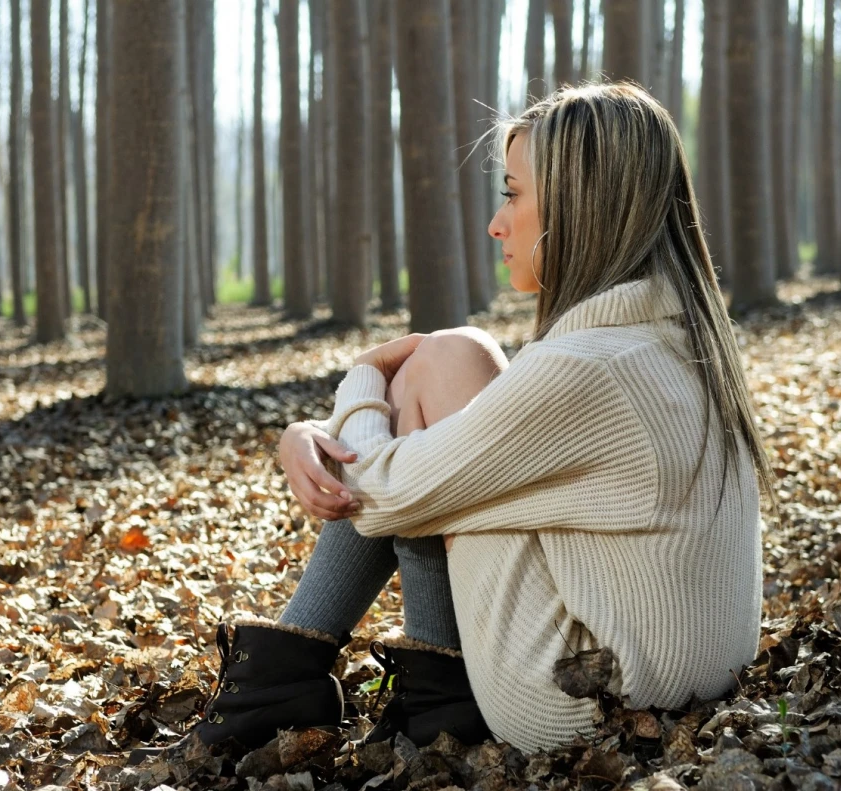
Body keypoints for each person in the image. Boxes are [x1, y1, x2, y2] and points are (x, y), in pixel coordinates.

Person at [183, 82, 774, 756]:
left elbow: (379, 497)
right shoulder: (673, 341)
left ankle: (297, 688)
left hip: (580, 701)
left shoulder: (592, 368)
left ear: (580, 205)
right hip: (670, 682)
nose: (497, 223)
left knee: (444, 362)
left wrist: (362, 377)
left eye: (513, 194)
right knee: (445, 376)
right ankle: (386, 692)